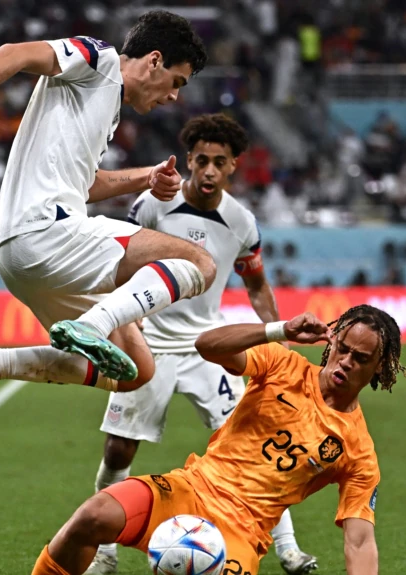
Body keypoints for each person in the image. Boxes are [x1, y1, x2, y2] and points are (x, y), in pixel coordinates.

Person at [0, 11, 218, 433]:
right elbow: (15, 53)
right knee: (199, 264)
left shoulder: (103, 107)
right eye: (178, 81)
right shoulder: (98, 60)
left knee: (136, 371)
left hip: (20, 256)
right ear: (154, 60)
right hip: (47, 232)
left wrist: (145, 177)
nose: (174, 96)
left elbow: (83, 185)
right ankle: (92, 324)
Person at [86, 114, 316, 575]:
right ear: (189, 160)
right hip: (149, 344)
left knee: (255, 445)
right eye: (202, 160)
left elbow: (256, 286)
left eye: (220, 163)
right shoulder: (153, 205)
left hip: (210, 348)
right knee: (119, 450)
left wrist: (281, 344)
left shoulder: (241, 222)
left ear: (234, 167)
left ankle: (288, 549)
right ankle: (104, 553)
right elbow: (123, 265)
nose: (209, 170)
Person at [31, 305, 405, 575]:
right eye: (342, 348)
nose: (345, 362)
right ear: (331, 342)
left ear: (380, 366)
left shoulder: (357, 450)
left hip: (241, 534)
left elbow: (359, 541)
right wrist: (278, 330)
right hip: (190, 488)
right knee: (94, 515)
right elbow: (209, 345)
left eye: (361, 358)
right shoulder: (282, 365)